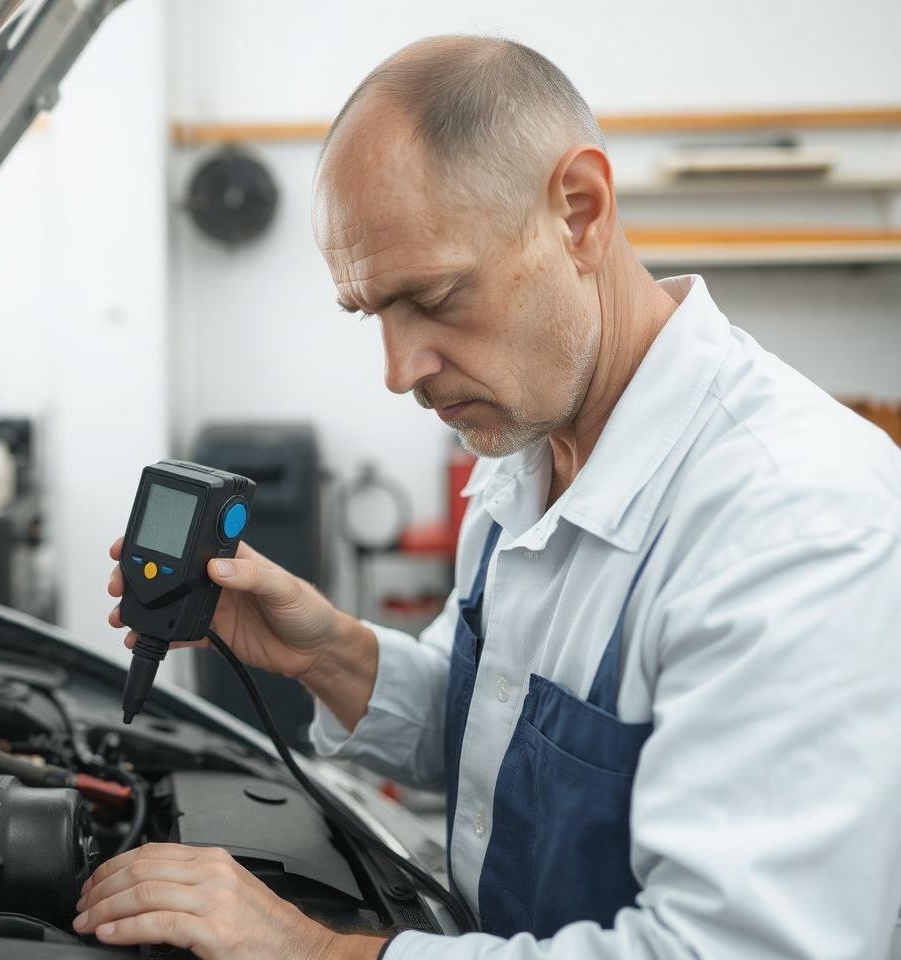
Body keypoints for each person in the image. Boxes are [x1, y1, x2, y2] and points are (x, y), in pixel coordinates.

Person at [74, 35, 901, 960]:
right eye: (373, 315)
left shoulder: (790, 520)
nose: (399, 371)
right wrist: (327, 651)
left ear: (579, 213)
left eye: (433, 298)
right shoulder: (528, 451)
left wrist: (309, 950)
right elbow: (497, 743)